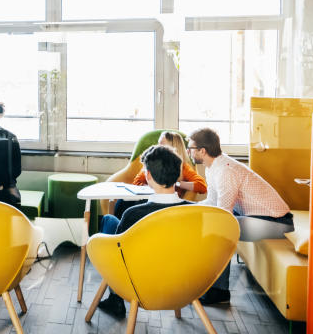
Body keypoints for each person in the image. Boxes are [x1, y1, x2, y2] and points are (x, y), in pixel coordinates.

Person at [188, 127, 293, 305]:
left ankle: (219, 291)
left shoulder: (226, 171)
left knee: (221, 228)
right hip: (256, 218)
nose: (188, 151)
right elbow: (212, 202)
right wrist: (186, 208)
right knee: (213, 223)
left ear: (202, 151)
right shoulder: (213, 167)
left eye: (190, 148)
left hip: (277, 222)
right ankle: (203, 282)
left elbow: (222, 215)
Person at [95, 144, 193, 317]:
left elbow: (118, 252)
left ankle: (115, 298)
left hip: (139, 280)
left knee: (109, 221)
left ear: (148, 175)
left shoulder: (134, 213)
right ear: (178, 174)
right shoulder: (194, 211)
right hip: (181, 280)